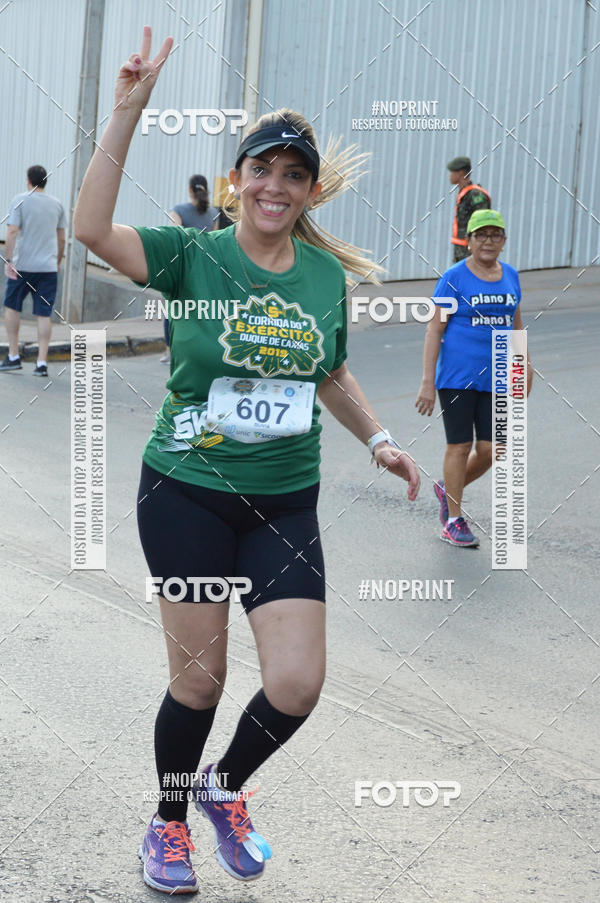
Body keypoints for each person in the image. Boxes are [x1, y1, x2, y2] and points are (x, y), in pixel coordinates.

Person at [73, 27, 420, 896]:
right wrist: (128, 110)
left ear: (309, 192)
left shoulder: (323, 278)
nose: (276, 185)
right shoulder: (192, 256)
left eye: (294, 174)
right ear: (237, 181)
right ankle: (168, 823)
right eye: (262, 169)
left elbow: (328, 370)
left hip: (283, 503)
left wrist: (378, 437)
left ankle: (225, 785)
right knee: (200, 681)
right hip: (186, 493)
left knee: (297, 683)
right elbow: (89, 229)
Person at [415, 209, 533, 547]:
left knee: (494, 449)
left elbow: (515, 325)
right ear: (469, 241)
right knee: (460, 445)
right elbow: (434, 329)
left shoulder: (511, 276)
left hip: (498, 376)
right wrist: (427, 382)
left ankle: (448, 488)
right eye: (481, 235)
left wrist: (525, 365)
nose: (488, 241)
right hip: (458, 377)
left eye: (495, 235)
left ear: (504, 241)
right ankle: (453, 520)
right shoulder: (454, 277)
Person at [1, 165, 66, 376]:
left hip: (22, 266)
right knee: (43, 313)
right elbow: (62, 238)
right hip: (48, 268)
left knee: (12, 306)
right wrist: (57, 262)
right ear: (45, 181)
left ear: (28, 180)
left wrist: (9, 260)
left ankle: (13, 356)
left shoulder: (20, 200)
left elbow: (12, 231)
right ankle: (41, 363)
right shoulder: (57, 204)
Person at [160, 176, 219, 362]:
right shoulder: (214, 213)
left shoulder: (178, 210)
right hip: (204, 269)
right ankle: (196, 350)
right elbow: (213, 242)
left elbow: (174, 238)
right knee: (198, 311)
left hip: (182, 267)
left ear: (190, 190)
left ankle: (170, 351)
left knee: (173, 309)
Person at [447, 156, 490, 263]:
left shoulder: (475, 195)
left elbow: (483, 223)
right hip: (461, 248)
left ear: (461, 173)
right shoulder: (464, 193)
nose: (450, 176)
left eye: (452, 172)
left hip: (471, 250)